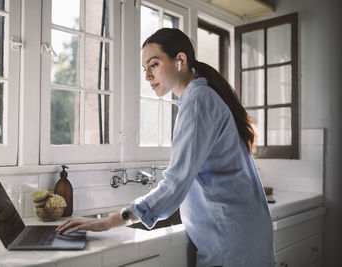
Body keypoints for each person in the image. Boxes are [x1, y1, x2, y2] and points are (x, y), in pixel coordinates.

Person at [57, 28, 275, 267]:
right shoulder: (202, 96)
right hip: (244, 235)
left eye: (154, 65)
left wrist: (110, 221)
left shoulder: (198, 102)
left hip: (232, 243)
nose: (148, 76)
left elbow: (175, 185)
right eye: (144, 69)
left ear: (180, 61)